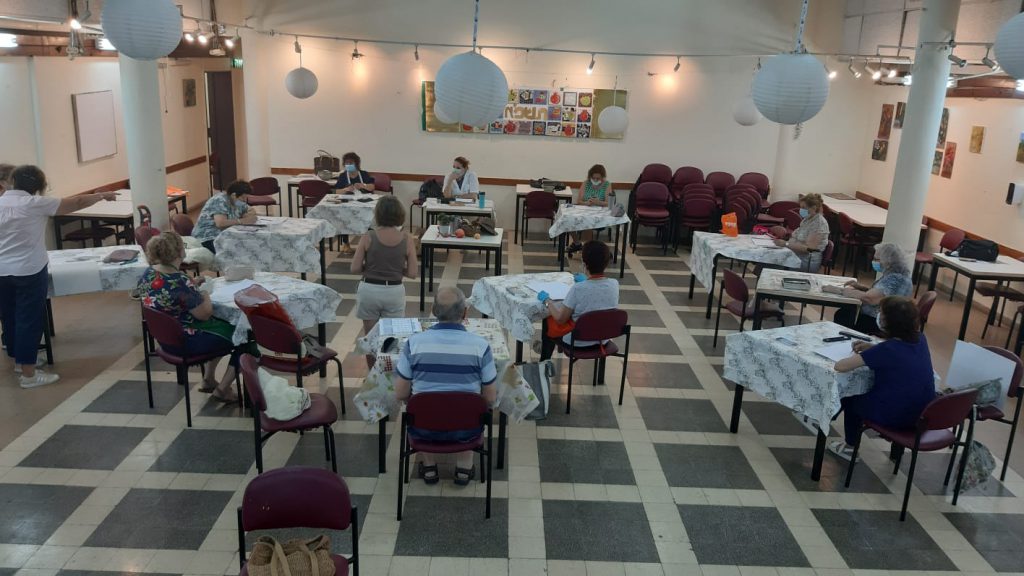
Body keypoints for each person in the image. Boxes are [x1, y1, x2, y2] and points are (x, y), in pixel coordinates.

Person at [0, 165, 118, 387]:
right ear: (40, 186)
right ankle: (29, 375)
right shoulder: (35, 203)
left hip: (2, 271)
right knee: (29, 320)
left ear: (13, 181)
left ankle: (20, 362)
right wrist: (102, 195)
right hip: (28, 270)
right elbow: (77, 202)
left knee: (10, 317)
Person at [394, 286, 497, 486]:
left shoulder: (413, 344)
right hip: (467, 429)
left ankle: (429, 468)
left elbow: (400, 393)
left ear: (434, 311)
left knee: (420, 402)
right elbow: (490, 398)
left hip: (423, 428)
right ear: (465, 313)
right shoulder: (481, 346)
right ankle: (464, 469)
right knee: (472, 406)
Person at [137, 232, 245, 403]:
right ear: (179, 252)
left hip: (166, 339)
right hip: (187, 341)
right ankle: (222, 390)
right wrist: (205, 293)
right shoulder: (180, 281)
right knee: (244, 337)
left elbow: (170, 294)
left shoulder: (148, 274)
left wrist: (192, 285)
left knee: (223, 325)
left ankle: (209, 379)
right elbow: (204, 314)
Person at [830, 296, 936, 459]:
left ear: (889, 323)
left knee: (851, 398)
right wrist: (872, 348)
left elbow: (841, 366)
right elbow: (898, 354)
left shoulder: (888, 349)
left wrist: (871, 352)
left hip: (896, 415)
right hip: (922, 413)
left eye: (882, 313)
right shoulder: (921, 339)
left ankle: (850, 446)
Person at [350, 195, 418, 368]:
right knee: (392, 339)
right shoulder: (407, 238)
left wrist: (372, 267)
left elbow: (355, 268)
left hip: (369, 290)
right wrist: (396, 270)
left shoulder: (368, 236)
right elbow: (412, 273)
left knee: (370, 338)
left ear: (378, 214)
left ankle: (371, 375)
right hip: (394, 291)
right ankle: (388, 374)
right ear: (400, 214)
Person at [537, 240, 620, 361]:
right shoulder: (614, 284)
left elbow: (560, 319)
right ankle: (545, 350)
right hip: (603, 338)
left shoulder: (578, 288)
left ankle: (544, 360)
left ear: (584, 264)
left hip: (578, 341)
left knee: (549, 317)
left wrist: (547, 301)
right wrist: (586, 280)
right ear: (606, 264)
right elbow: (597, 297)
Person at [834, 243, 914, 335]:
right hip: (882, 319)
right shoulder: (898, 276)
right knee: (845, 312)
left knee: (843, 315)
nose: (873, 261)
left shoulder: (895, 279)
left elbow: (870, 299)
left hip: (878, 323)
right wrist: (860, 287)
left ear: (888, 262)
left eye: (876, 259)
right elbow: (881, 293)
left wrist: (841, 291)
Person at [192, 180, 258, 253]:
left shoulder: (238, 202)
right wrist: (242, 221)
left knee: (249, 244)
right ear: (233, 195)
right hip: (207, 237)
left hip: (225, 235)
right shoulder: (219, 200)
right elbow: (220, 223)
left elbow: (251, 211)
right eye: (243, 198)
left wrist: (248, 216)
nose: (245, 201)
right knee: (238, 250)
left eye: (246, 198)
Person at [774, 193, 829, 272]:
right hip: (795, 254)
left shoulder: (819, 224)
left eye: (803, 207)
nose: (801, 210)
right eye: (801, 207)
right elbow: (795, 236)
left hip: (806, 261)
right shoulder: (807, 219)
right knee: (766, 260)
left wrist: (786, 244)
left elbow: (809, 248)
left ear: (813, 208)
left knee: (769, 265)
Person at [334, 152, 376, 254]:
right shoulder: (343, 176)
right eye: (346, 163)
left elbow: (372, 187)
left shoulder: (364, 174)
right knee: (343, 218)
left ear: (357, 164)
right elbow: (336, 191)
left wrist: (363, 186)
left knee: (368, 218)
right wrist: (345, 189)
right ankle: (346, 244)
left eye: (351, 163)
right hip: (348, 203)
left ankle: (369, 242)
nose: (348, 165)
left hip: (363, 202)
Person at [568, 164, 613, 254]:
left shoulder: (607, 185)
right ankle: (577, 243)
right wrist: (586, 203)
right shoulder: (586, 183)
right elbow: (579, 200)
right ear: (590, 177)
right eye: (593, 178)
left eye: (598, 178)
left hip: (599, 213)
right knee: (568, 220)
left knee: (587, 223)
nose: (595, 180)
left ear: (602, 177)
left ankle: (588, 248)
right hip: (585, 209)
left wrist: (598, 202)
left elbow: (609, 203)